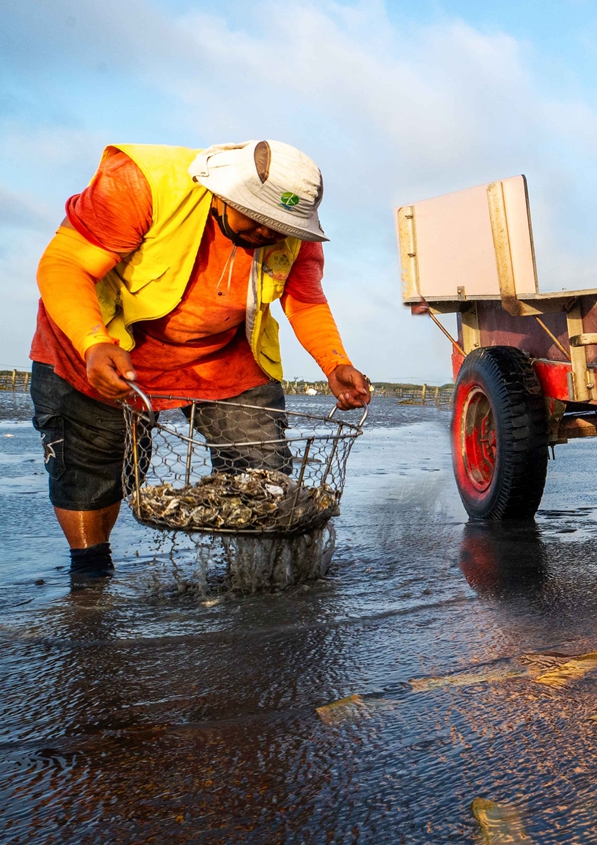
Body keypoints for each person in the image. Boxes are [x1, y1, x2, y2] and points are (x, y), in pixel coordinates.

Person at [30, 140, 373, 577]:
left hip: (221, 358)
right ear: (225, 193)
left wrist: (334, 362)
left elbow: (304, 299)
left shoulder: (293, 234)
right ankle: (90, 575)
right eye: (262, 218)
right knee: (91, 468)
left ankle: (259, 587)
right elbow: (63, 265)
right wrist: (92, 341)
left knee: (263, 478)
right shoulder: (144, 182)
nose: (272, 233)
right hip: (106, 347)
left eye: (283, 224)